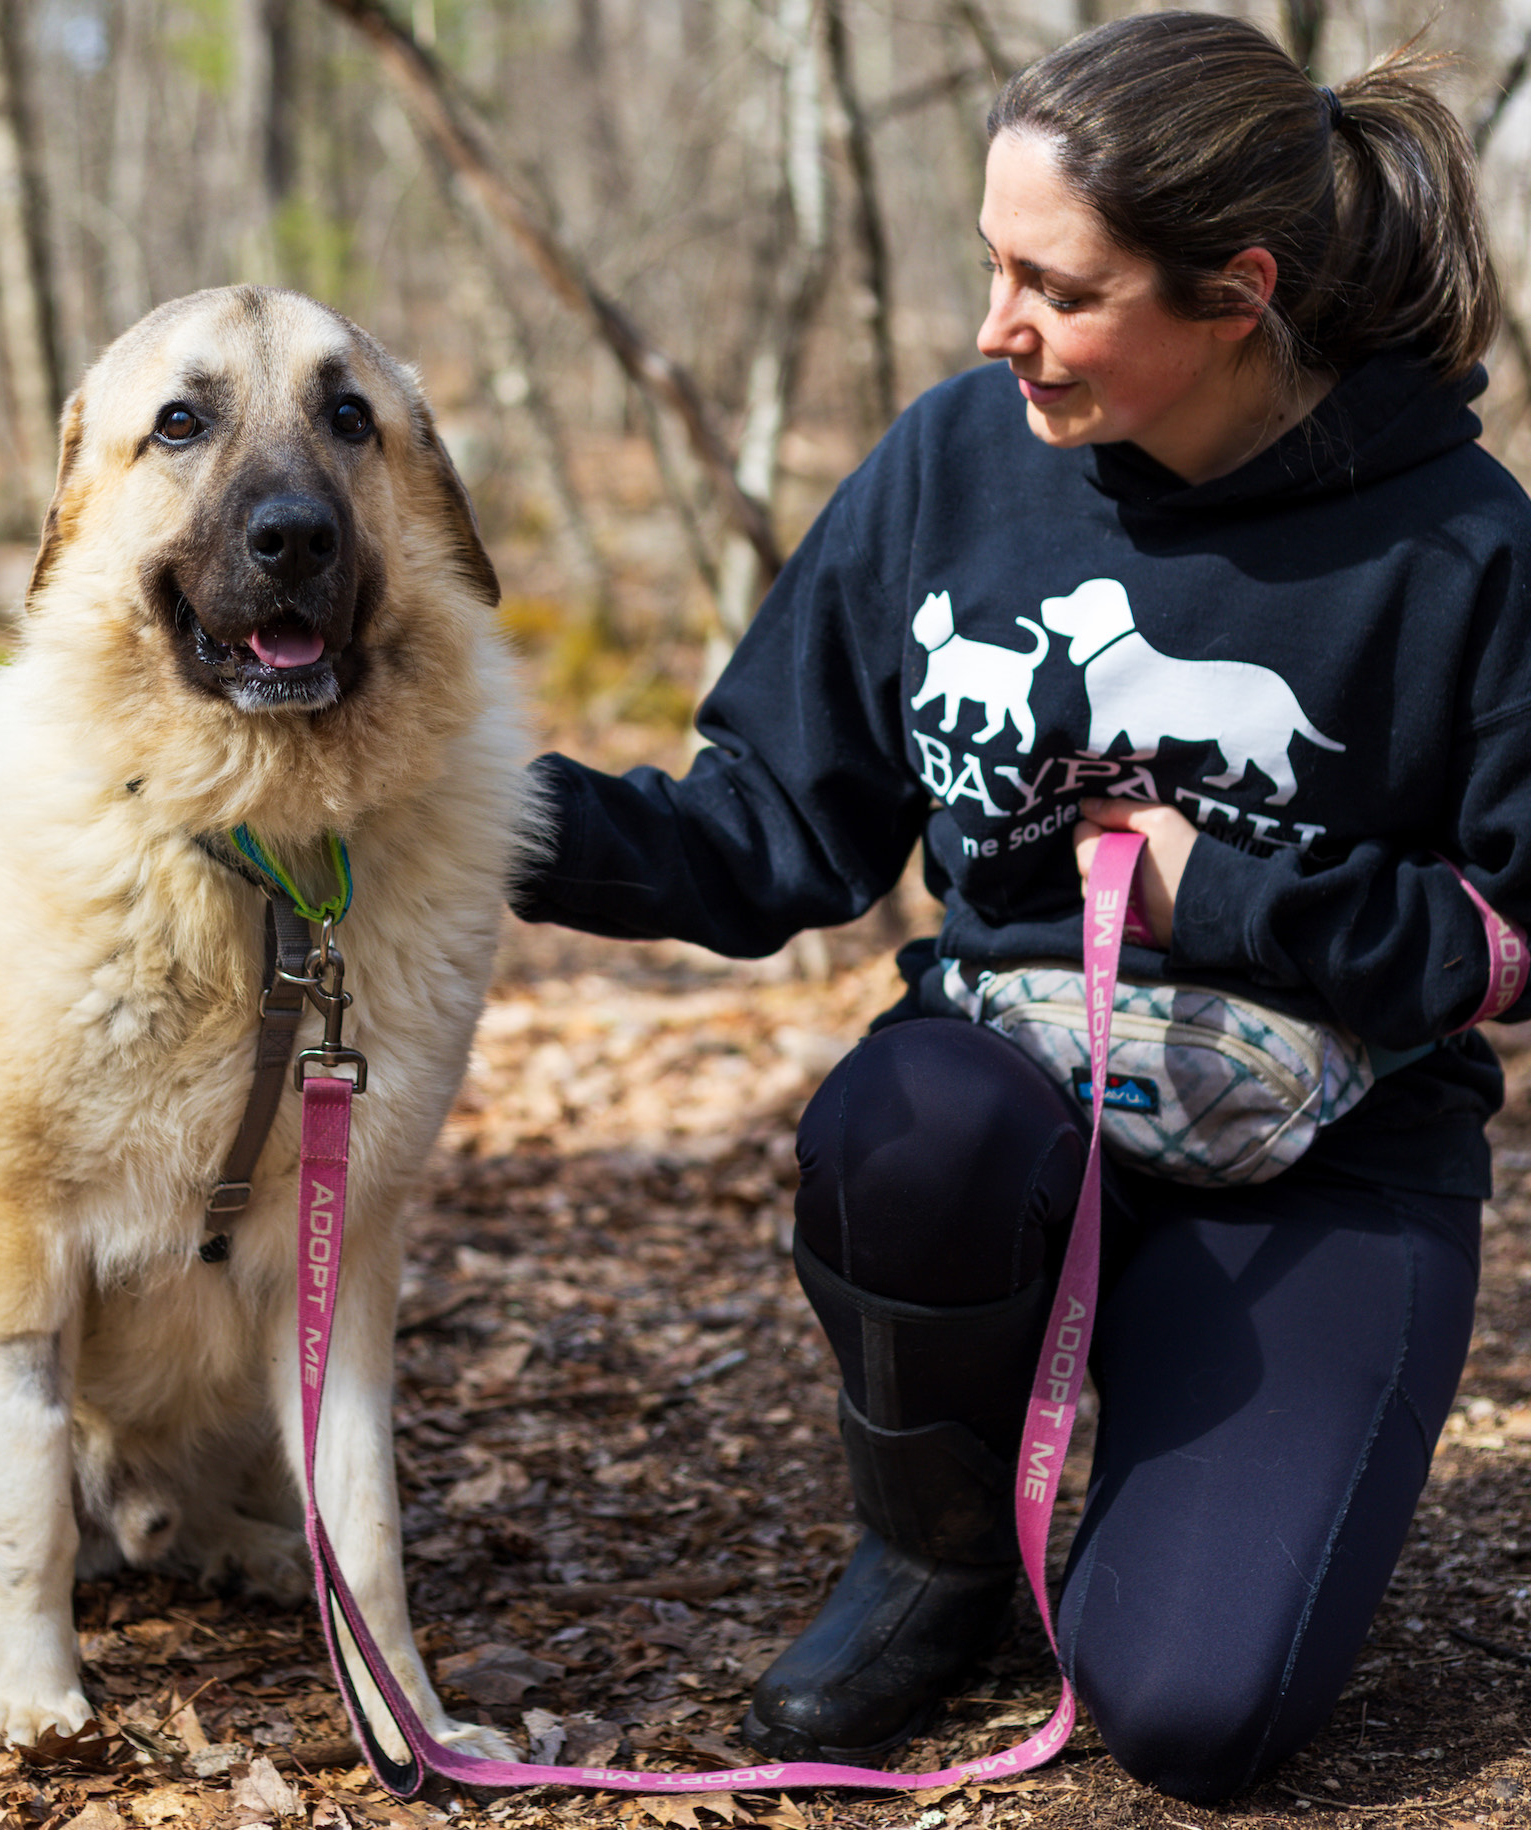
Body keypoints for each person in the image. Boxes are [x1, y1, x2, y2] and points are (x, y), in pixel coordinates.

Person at [509, 10, 1531, 1804]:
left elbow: (1514, 935)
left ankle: (1179, 1435)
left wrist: (1232, 896)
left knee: (1200, 1715)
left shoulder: (1462, 549)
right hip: (1008, 1102)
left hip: (1328, 1160)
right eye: (993, 266)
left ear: (1236, 292)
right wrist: (457, 821)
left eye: (1051, 287)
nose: (995, 329)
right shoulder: (953, 465)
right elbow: (763, 836)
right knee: (902, 1121)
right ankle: (937, 1548)